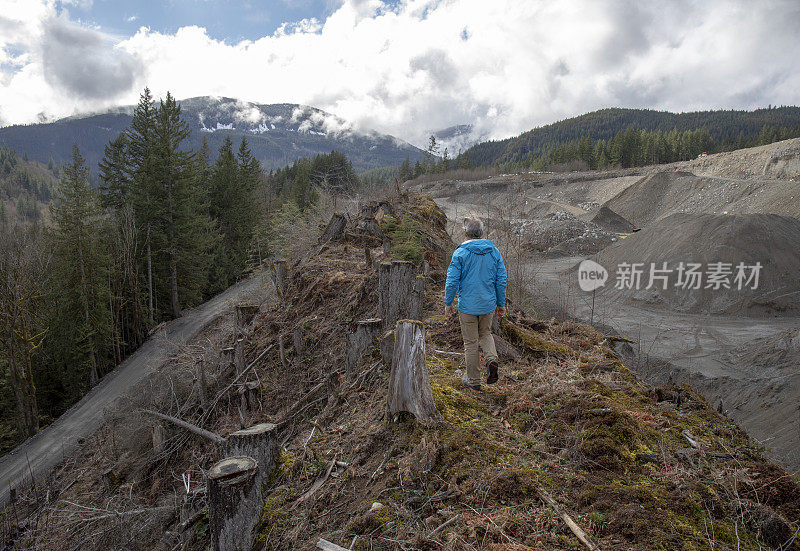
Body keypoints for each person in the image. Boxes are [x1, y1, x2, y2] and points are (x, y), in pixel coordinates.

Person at [444, 217, 507, 390]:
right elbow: (501, 280)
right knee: (485, 334)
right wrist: (501, 303)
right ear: (482, 233)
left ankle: (474, 382)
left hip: (468, 307)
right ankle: (491, 360)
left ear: (465, 234)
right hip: (487, 305)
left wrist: (448, 302)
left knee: (470, 343)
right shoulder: (494, 252)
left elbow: (452, 281)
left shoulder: (460, 253)